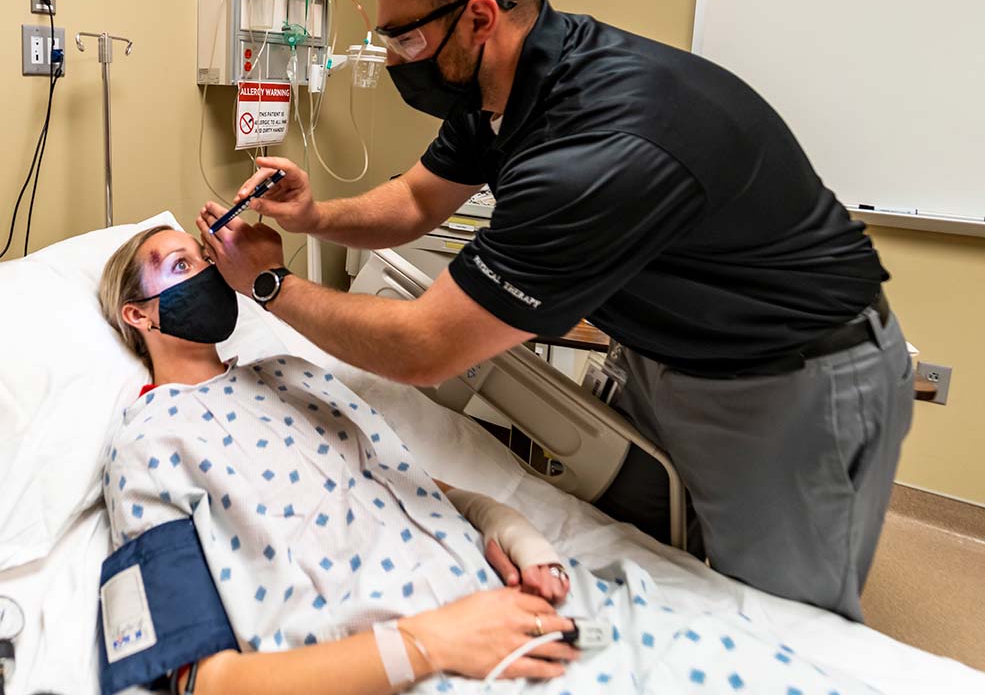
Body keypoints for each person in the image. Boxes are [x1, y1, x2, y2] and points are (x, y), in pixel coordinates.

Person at [197, 0, 913, 623]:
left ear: (478, 16)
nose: (393, 59)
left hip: (789, 374)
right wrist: (313, 216)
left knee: (781, 617)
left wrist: (271, 284)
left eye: (404, 38)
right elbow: (415, 200)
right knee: (661, 551)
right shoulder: (505, 85)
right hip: (670, 350)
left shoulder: (600, 144)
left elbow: (425, 349)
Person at [97, 224, 875, 695]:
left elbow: (401, 482)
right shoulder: (149, 444)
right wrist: (430, 644)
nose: (206, 270)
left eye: (204, 256)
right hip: (421, 662)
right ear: (138, 314)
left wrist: (506, 525)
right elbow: (206, 680)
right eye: (180, 266)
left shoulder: (290, 372)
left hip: (527, 610)